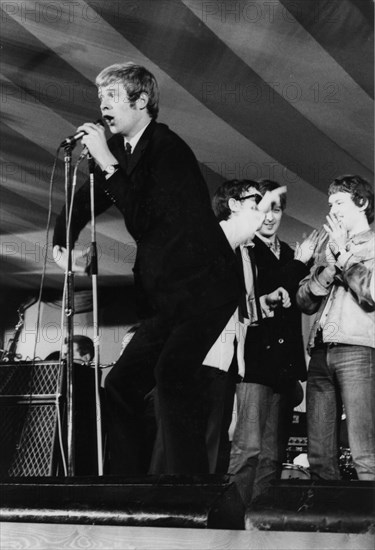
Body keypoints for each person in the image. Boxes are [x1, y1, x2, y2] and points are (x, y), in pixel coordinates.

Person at [53, 62, 242, 475]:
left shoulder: (167, 149)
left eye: (113, 97)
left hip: (207, 289)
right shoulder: (122, 152)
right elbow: (85, 200)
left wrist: (106, 162)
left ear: (141, 102)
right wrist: (61, 241)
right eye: (100, 98)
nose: (103, 106)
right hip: (169, 297)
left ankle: (188, 491)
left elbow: (143, 217)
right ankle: (128, 486)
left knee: (172, 375)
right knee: (120, 385)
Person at [228, 180, 318, 505]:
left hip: (283, 368)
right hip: (253, 365)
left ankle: (258, 521)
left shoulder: (294, 254)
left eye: (276, 210)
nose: (270, 218)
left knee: (271, 455)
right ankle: (232, 520)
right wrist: (298, 266)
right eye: (264, 210)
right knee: (247, 448)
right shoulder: (244, 250)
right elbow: (261, 293)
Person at [296, 175, 375, 481]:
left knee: (364, 453)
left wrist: (345, 257)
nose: (333, 209)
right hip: (320, 352)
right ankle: (323, 523)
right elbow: (304, 300)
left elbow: (370, 294)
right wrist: (330, 266)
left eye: (340, 202)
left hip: (359, 351)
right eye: (330, 203)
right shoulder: (328, 249)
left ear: (362, 203)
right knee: (318, 456)